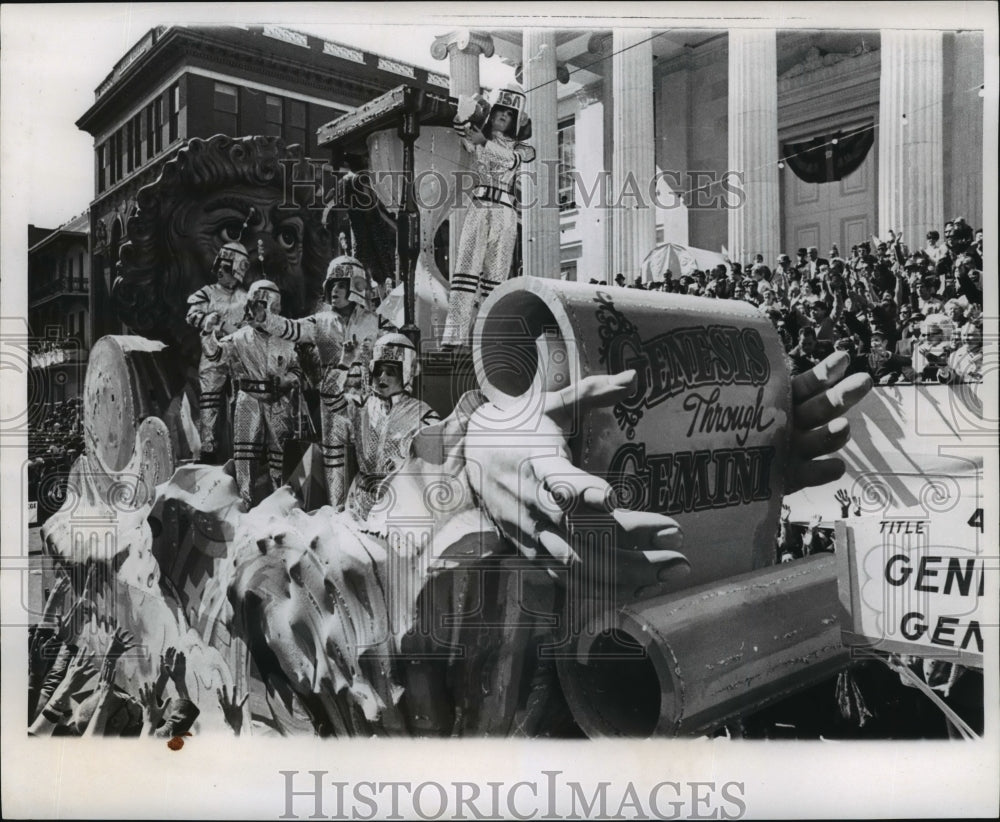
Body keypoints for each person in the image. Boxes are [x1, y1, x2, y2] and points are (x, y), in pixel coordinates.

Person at [441, 87, 535, 351]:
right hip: (480, 206)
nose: (504, 115)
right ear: (492, 114)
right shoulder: (477, 136)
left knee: (496, 278)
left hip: (505, 213)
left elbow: (511, 161)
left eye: (510, 113)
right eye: (500, 111)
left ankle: (492, 340)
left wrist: (483, 141)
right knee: (465, 272)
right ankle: (453, 337)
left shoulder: (520, 148)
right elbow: (459, 124)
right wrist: (468, 106)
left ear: (516, 119)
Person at [202, 279, 302, 508]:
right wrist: (208, 332)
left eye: (258, 306)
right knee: (245, 457)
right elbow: (215, 355)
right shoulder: (240, 337)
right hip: (248, 400)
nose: (251, 311)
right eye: (251, 305)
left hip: (279, 401)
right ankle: (244, 504)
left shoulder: (286, 338)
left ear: (272, 308)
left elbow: (297, 370)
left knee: (280, 456)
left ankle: (282, 505)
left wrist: (287, 380)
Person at [325, 333, 441, 522]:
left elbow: (435, 463)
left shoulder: (423, 415)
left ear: (406, 373)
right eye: (378, 371)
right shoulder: (360, 406)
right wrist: (345, 362)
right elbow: (329, 397)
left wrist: (405, 466)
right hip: (359, 503)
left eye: (390, 371)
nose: (382, 377)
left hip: (401, 506)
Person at [186, 239, 251, 462]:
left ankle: (241, 446)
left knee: (240, 401)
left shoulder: (246, 297)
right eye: (220, 267)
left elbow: (254, 323)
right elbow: (192, 315)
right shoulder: (207, 292)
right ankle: (208, 448)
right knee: (209, 401)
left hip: (237, 355)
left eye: (227, 269)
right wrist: (208, 320)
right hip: (212, 353)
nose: (221, 272)